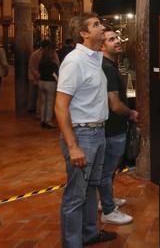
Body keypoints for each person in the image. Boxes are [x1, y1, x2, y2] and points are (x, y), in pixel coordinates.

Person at [55, 14, 117, 247]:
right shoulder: (75, 61)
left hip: (98, 133)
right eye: (96, 25)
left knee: (91, 188)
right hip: (82, 136)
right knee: (75, 196)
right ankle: (72, 243)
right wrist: (73, 146)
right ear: (83, 33)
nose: (102, 27)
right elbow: (60, 106)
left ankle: (89, 233)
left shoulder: (95, 58)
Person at [98, 24, 138, 225]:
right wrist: (131, 113)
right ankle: (108, 210)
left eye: (117, 38)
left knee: (109, 170)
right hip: (112, 128)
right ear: (102, 46)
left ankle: (107, 200)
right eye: (111, 39)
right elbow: (114, 104)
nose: (117, 41)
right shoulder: (106, 67)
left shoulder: (109, 65)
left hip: (113, 127)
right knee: (107, 170)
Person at [38, 40, 59, 129]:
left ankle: (42, 120)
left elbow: (39, 71)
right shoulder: (52, 64)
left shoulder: (41, 62)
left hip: (41, 82)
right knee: (50, 103)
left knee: (43, 102)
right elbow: (55, 75)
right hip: (50, 83)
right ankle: (48, 121)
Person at [28, 42, 42, 114]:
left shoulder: (35, 54)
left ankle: (34, 108)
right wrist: (38, 75)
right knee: (34, 94)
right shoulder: (36, 54)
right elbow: (32, 66)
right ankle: (33, 108)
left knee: (35, 94)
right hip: (36, 76)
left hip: (37, 76)